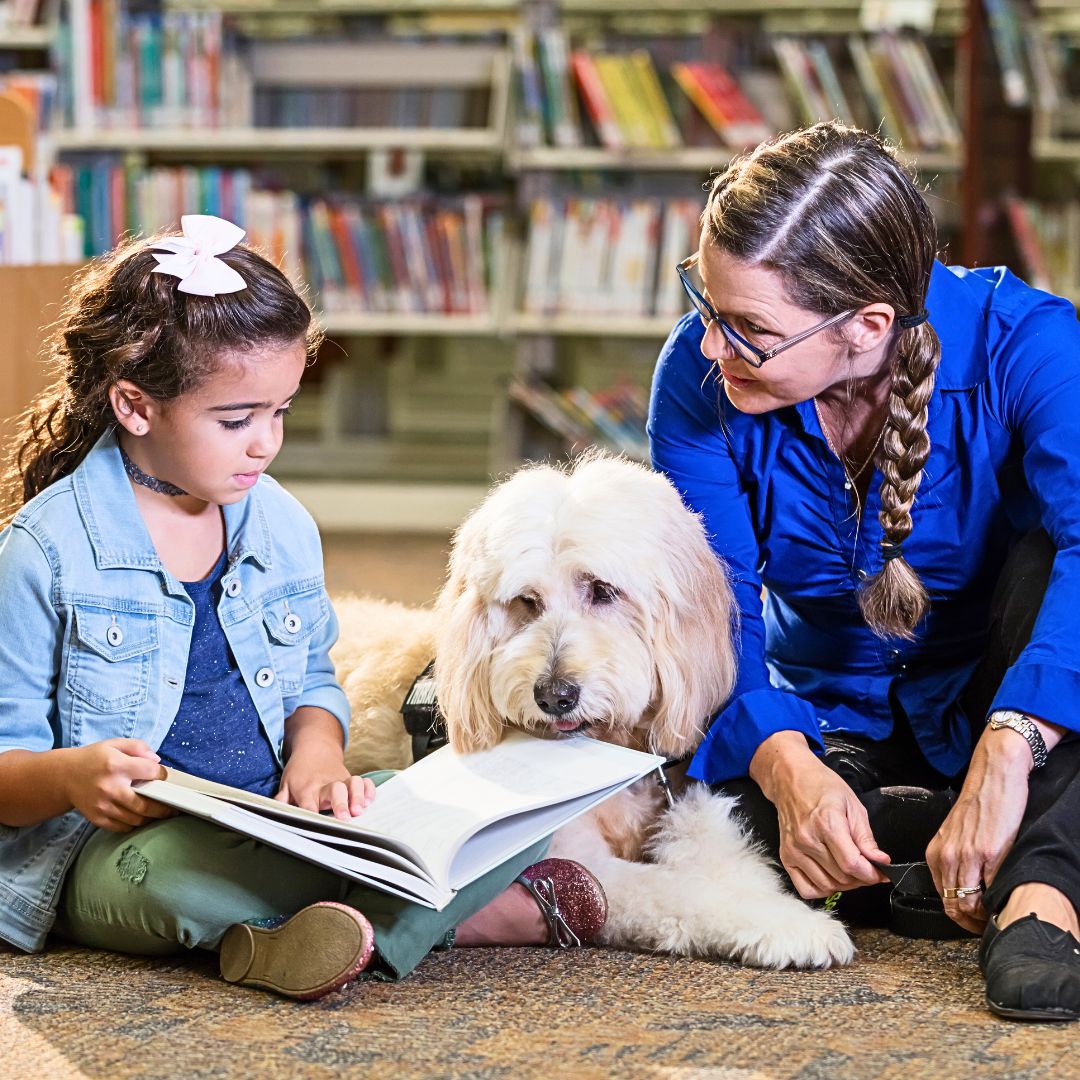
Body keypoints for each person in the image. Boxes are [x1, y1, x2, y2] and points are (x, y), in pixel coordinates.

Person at [0, 215, 606, 1001]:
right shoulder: (42, 551)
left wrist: (318, 752)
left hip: (275, 819)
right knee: (171, 883)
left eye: (280, 412)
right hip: (117, 850)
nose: (265, 444)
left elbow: (312, 680)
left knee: (498, 801)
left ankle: (292, 940)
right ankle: (441, 922)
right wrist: (74, 777)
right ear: (135, 405)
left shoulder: (279, 522)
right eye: (236, 420)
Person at [648, 122, 1080, 1022]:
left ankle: (1041, 890)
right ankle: (956, 850)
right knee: (733, 821)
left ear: (868, 327)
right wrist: (783, 763)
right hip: (830, 710)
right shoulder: (696, 380)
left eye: (749, 329)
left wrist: (1012, 744)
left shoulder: (1030, 344)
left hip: (1015, 696)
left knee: (1050, 564)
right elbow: (710, 606)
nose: (710, 349)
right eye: (703, 304)